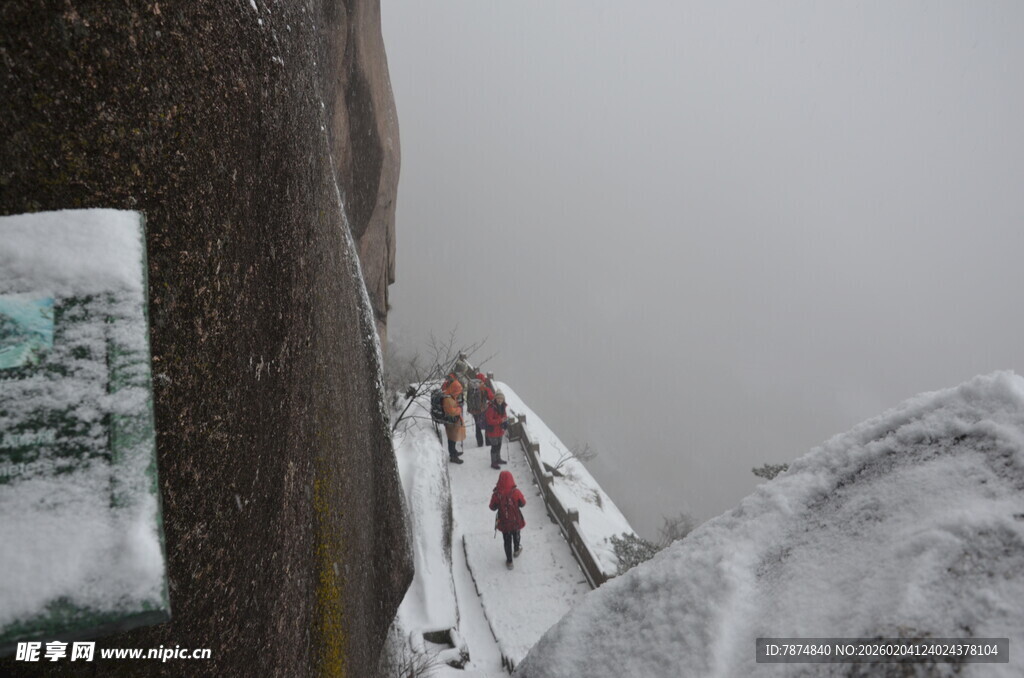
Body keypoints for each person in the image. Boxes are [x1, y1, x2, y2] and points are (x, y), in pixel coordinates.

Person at [490, 470, 526, 569]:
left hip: (504, 522)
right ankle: (516, 550)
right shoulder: (516, 492)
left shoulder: (497, 494)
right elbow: (523, 503)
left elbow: (492, 507)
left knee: (507, 540)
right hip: (515, 520)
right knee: (516, 534)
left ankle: (509, 562)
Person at [467, 372, 495, 447]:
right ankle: (488, 442)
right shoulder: (484, 387)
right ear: (483, 380)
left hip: (473, 410)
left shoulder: (471, 386)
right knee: (487, 425)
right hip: (482, 410)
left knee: (477, 426)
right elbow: (491, 397)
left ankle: (480, 443)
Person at [442, 378, 466, 464]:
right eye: (458, 391)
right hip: (450, 423)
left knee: (453, 438)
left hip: (452, 422)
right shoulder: (447, 399)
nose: (458, 393)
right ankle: (453, 456)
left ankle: (454, 452)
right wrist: (459, 408)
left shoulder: (450, 395)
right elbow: (452, 411)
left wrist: (458, 405)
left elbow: (453, 406)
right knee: (452, 439)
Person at [484, 390, 509, 469]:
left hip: (499, 430)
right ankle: (493, 462)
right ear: (495, 398)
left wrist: (505, 421)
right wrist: (501, 420)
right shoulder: (491, 408)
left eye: (501, 398)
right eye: (498, 398)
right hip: (492, 431)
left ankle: (498, 459)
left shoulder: (503, 406)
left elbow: (504, 416)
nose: (500, 400)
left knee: (499, 445)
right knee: (494, 447)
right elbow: (489, 420)